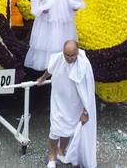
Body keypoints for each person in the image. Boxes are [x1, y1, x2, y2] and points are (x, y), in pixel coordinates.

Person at [34, 40, 97, 168]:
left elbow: (89, 89)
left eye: (72, 55)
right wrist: (42, 78)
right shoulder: (59, 57)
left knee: (68, 129)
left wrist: (85, 112)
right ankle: (52, 156)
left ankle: (61, 151)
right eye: (66, 55)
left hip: (75, 104)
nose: (69, 58)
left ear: (77, 52)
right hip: (58, 100)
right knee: (55, 129)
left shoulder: (84, 64)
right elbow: (50, 70)